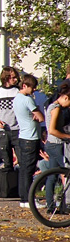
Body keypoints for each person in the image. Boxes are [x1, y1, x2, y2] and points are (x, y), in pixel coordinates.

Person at [14, 74, 45, 207]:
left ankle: (23, 198)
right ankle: (28, 199)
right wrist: (37, 114)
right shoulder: (28, 100)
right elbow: (41, 117)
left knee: (23, 170)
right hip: (30, 138)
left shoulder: (16, 99)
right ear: (25, 86)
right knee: (29, 169)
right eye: (32, 88)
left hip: (22, 136)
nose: (34, 91)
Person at [0, 67, 21, 170]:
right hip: (3, 131)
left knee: (22, 161)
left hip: (18, 130)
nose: (16, 80)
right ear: (6, 78)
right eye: (13, 77)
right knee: (6, 161)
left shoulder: (19, 91)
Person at [43, 83, 70, 212]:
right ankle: (67, 204)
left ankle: (50, 206)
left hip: (49, 144)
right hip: (56, 144)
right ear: (65, 97)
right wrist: (67, 136)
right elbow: (52, 130)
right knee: (67, 172)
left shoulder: (51, 106)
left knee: (52, 176)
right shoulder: (57, 108)